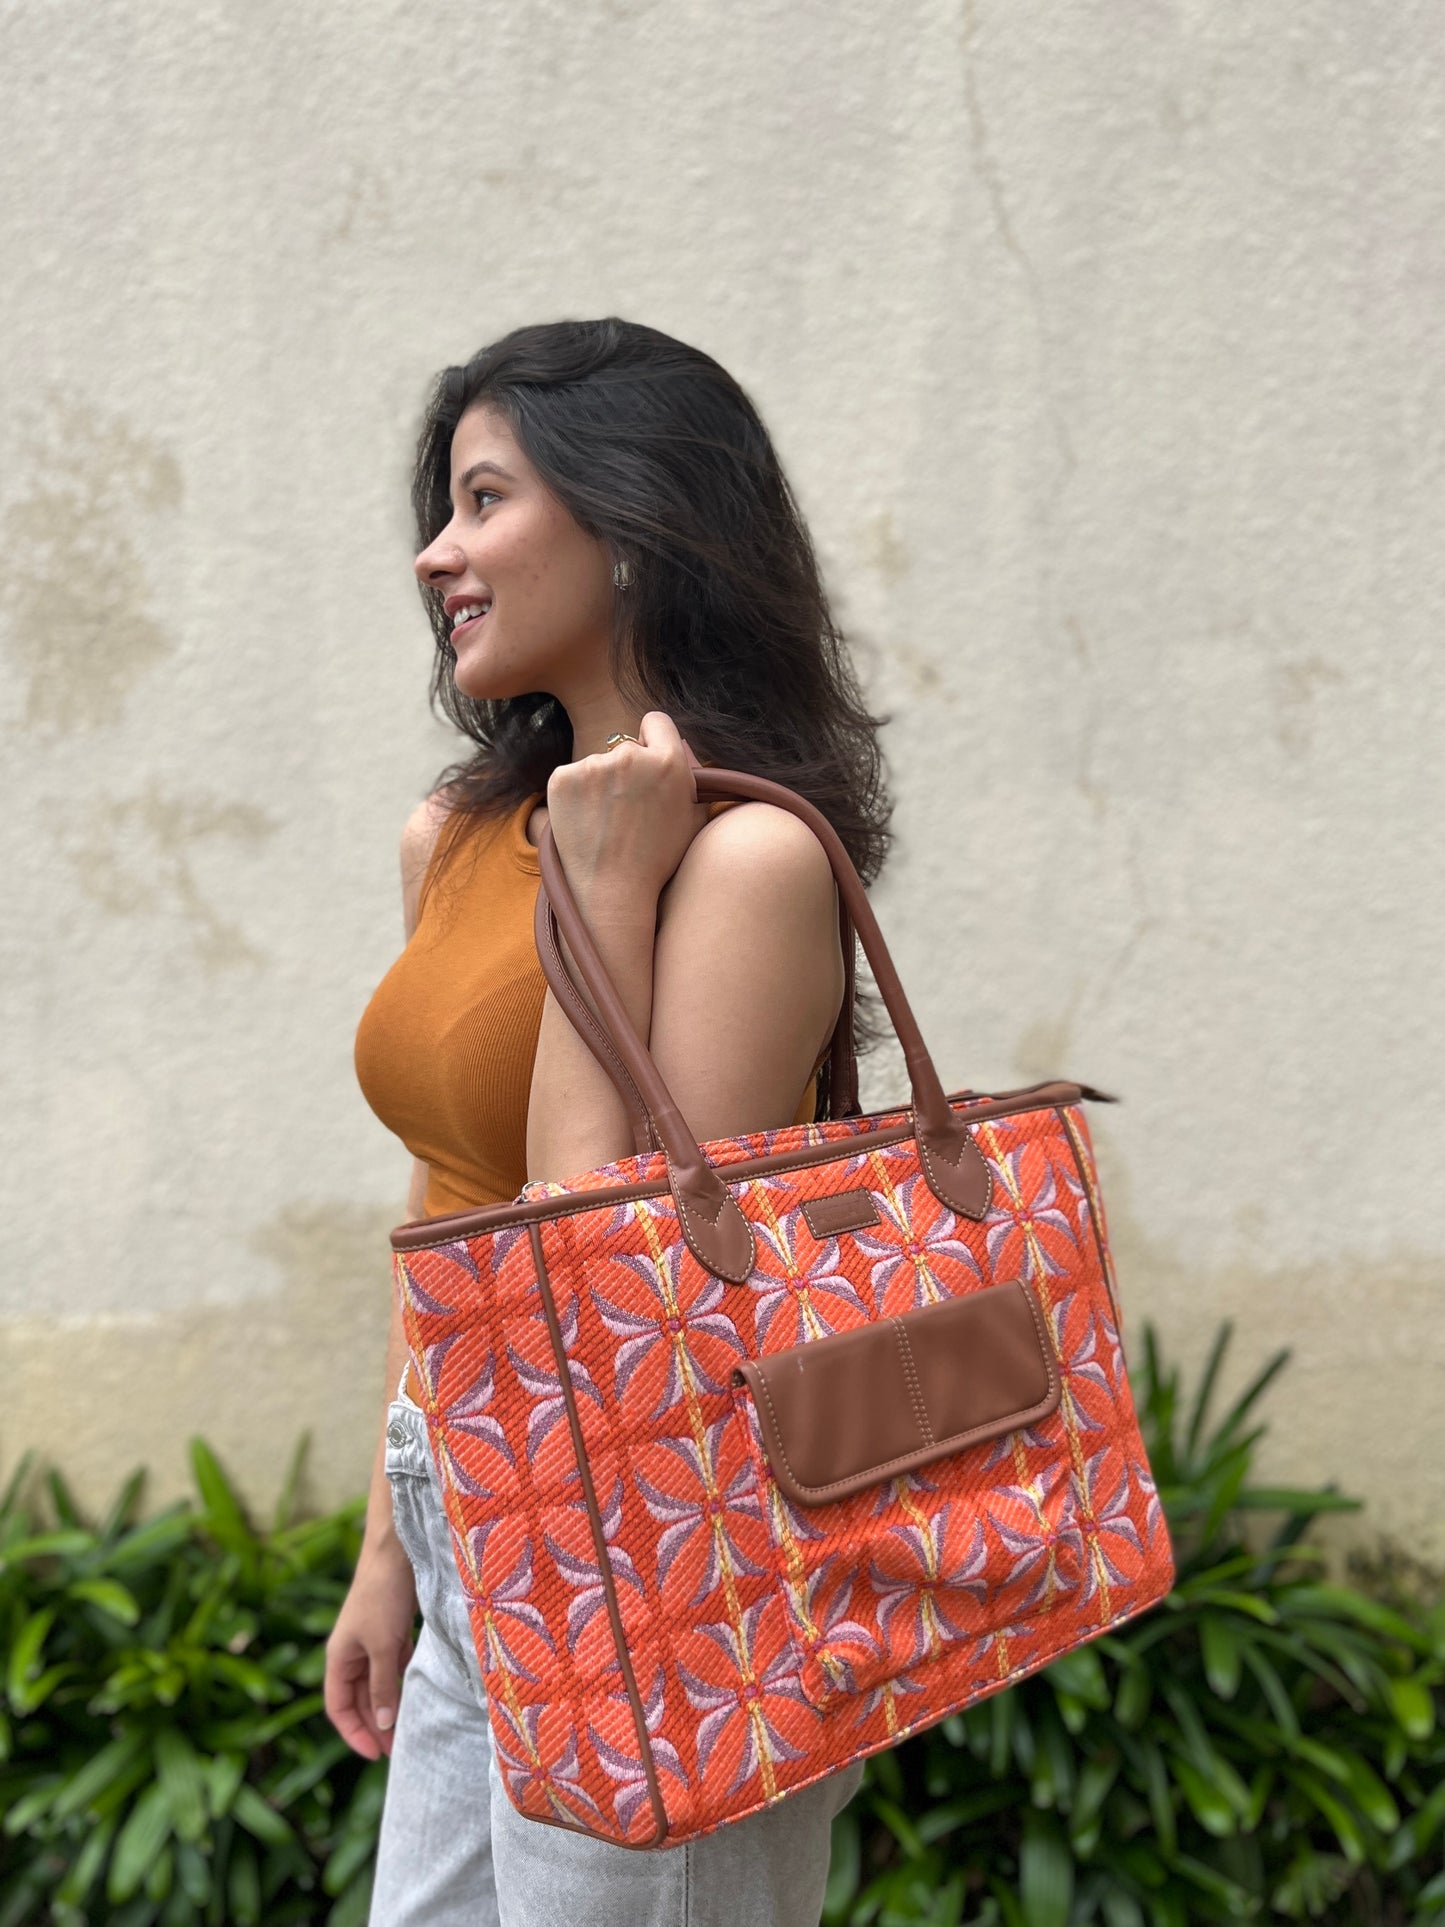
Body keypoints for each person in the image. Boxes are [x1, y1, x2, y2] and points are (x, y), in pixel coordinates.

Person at [330, 317, 894, 1926]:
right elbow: (448, 1199)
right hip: (469, 1512)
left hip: (665, 1566)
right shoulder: (458, 835)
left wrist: (604, 892)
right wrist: (395, 1546)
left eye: (485, 499)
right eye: (441, 509)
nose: (439, 552)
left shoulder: (744, 864)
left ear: (635, 530)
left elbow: (591, 1262)